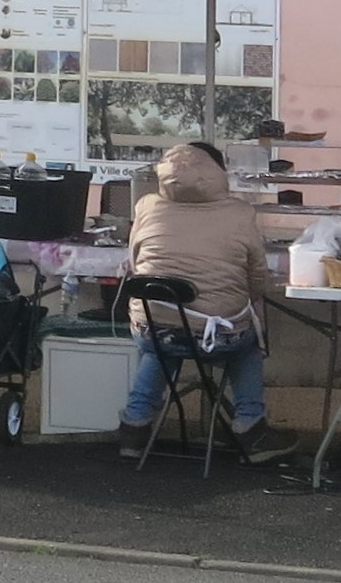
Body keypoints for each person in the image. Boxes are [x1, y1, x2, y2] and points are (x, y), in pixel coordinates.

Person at [122, 143, 294, 459]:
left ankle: (134, 428)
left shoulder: (146, 206)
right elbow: (256, 277)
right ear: (219, 173)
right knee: (247, 344)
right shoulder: (241, 211)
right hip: (218, 336)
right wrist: (251, 300)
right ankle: (250, 428)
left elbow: (134, 261)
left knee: (163, 344)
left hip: (153, 327)